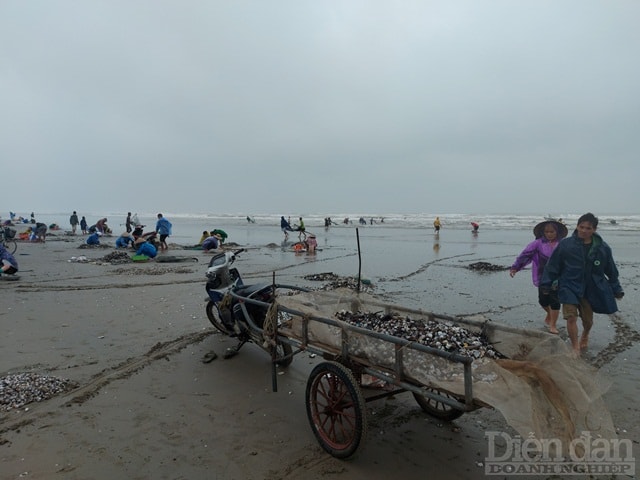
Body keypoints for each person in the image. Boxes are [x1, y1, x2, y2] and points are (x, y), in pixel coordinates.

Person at [540, 213, 624, 356]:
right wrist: (546, 285)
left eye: (588, 228)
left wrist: (616, 288)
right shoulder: (566, 245)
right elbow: (552, 266)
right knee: (571, 317)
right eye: (581, 227)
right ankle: (575, 347)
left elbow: (611, 270)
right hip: (568, 285)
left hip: (590, 288)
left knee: (588, 321)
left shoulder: (602, 248)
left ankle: (585, 334)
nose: (584, 231)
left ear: (594, 229)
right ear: (577, 226)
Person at [510, 220, 568, 334]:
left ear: (557, 232)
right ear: (543, 232)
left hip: (558, 276)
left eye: (552, 231)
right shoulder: (537, 243)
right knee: (543, 300)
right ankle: (549, 313)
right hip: (542, 275)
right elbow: (524, 254)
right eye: (547, 232)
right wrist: (515, 267)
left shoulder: (563, 244)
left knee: (555, 300)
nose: (549, 234)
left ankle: (553, 325)